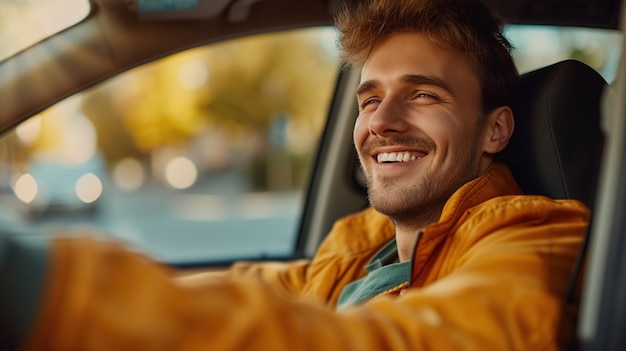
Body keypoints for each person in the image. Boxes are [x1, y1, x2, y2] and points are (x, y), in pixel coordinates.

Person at [0, 0, 588, 349]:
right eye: (369, 99)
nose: (382, 121)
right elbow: (246, 290)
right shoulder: (356, 250)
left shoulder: (533, 236)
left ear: (496, 130)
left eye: (425, 94)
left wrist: (51, 290)